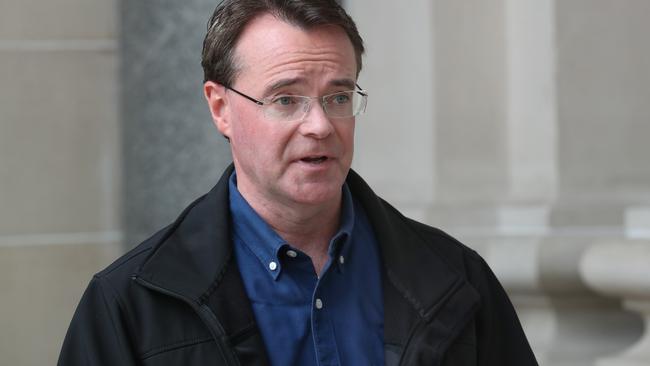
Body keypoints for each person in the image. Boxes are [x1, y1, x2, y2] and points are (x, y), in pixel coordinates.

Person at [58, 0, 538, 365]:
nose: (320, 126)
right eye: (286, 99)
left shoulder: (456, 279)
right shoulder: (129, 302)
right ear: (220, 108)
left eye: (338, 97)